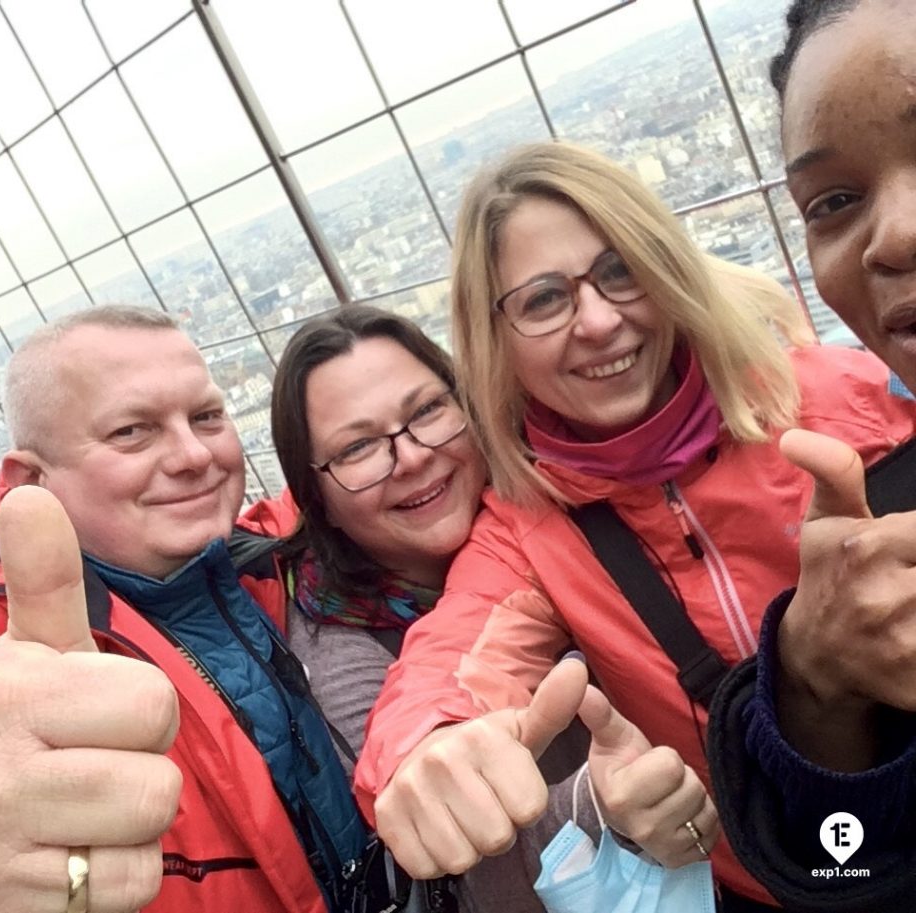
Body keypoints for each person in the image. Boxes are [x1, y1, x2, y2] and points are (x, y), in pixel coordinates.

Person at [352, 139, 916, 911]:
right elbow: (451, 663)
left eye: (621, 271)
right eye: (544, 299)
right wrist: (431, 751)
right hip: (781, 880)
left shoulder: (849, 403)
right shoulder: (531, 528)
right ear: (497, 337)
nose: (598, 320)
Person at [0, 305, 370, 913]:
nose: (194, 454)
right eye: (132, 431)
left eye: (207, 416)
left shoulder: (253, 559)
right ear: (30, 482)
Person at [256, 304, 693, 911]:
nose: (410, 457)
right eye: (358, 448)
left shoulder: (562, 504)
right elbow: (473, 846)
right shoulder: (338, 652)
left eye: (428, 411)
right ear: (317, 499)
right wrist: (615, 797)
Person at [706, 1, 916, 910]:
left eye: (623, 273)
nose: (896, 234)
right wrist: (815, 690)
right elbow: (850, 869)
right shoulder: (885, 513)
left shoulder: (838, 406)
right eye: (833, 200)